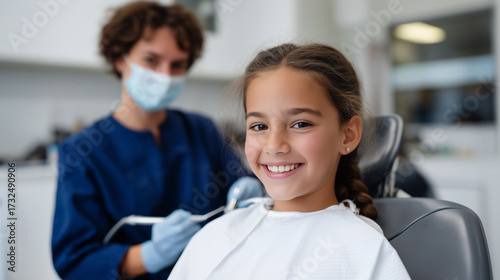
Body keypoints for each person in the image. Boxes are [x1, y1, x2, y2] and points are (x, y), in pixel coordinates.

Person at [51, 2, 261, 279]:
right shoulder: (83, 151)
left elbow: (243, 193)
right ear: (119, 58)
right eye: (151, 60)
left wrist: (255, 191)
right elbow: (74, 260)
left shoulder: (202, 130)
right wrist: (150, 255)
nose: (165, 75)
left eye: (177, 65)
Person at [168, 43, 411, 279]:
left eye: (300, 124)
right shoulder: (216, 235)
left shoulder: (365, 251)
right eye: (259, 126)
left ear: (348, 134)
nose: (274, 145)